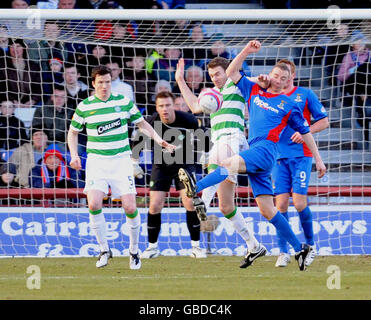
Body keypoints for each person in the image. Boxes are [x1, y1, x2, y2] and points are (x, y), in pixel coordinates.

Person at [178, 40, 327, 271]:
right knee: (267, 210)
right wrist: (247, 50)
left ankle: (196, 186)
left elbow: (306, 132)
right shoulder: (253, 90)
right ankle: (300, 248)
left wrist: (318, 159)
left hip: (266, 150)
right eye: (275, 74)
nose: (277, 79)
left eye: (283, 78)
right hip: (256, 152)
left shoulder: (289, 105)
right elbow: (231, 72)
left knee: (228, 163)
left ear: (289, 82)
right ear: (270, 74)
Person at [67, 65, 176, 270]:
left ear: (111, 82)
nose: (105, 86)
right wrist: (74, 155)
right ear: (93, 84)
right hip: (96, 161)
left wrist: (160, 140)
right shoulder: (85, 106)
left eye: (107, 82)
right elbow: (72, 133)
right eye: (100, 82)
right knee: (94, 204)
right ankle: (104, 250)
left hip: (121, 160)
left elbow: (142, 124)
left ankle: (134, 251)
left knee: (130, 207)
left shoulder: (123, 102)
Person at [176, 56, 266, 263]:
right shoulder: (212, 95)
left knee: (217, 159)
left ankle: (202, 201)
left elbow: (260, 82)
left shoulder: (238, 86)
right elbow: (194, 107)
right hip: (219, 144)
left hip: (235, 138)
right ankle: (254, 245)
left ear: (228, 71)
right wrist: (180, 80)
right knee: (226, 206)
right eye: (211, 75)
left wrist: (262, 78)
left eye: (218, 74)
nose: (214, 78)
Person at [132, 91, 207, 259]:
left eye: (167, 105)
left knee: (190, 202)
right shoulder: (151, 121)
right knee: (155, 205)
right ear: (156, 108)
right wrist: (134, 162)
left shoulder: (188, 120)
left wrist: (205, 155)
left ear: (173, 105)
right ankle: (152, 248)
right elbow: (138, 141)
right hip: (161, 165)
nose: (164, 109)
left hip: (185, 164)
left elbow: (203, 136)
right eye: (161, 106)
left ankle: (196, 247)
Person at [272, 59, 329, 268]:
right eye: (278, 76)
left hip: (301, 156)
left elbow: (324, 120)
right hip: (278, 157)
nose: (281, 79)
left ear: (292, 75)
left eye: (286, 75)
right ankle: (283, 252)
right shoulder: (270, 97)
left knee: (300, 202)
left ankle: (311, 246)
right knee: (280, 205)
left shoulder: (305, 94)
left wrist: (306, 132)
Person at [32, 84, 74, 152]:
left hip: (65, 144)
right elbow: (36, 128)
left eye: (63, 97)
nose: (59, 99)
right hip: (46, 143)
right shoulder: (41, 110)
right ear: (51, 97)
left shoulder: (71, 111)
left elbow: (72, 130)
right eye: (56, 96)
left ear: (66, 99)